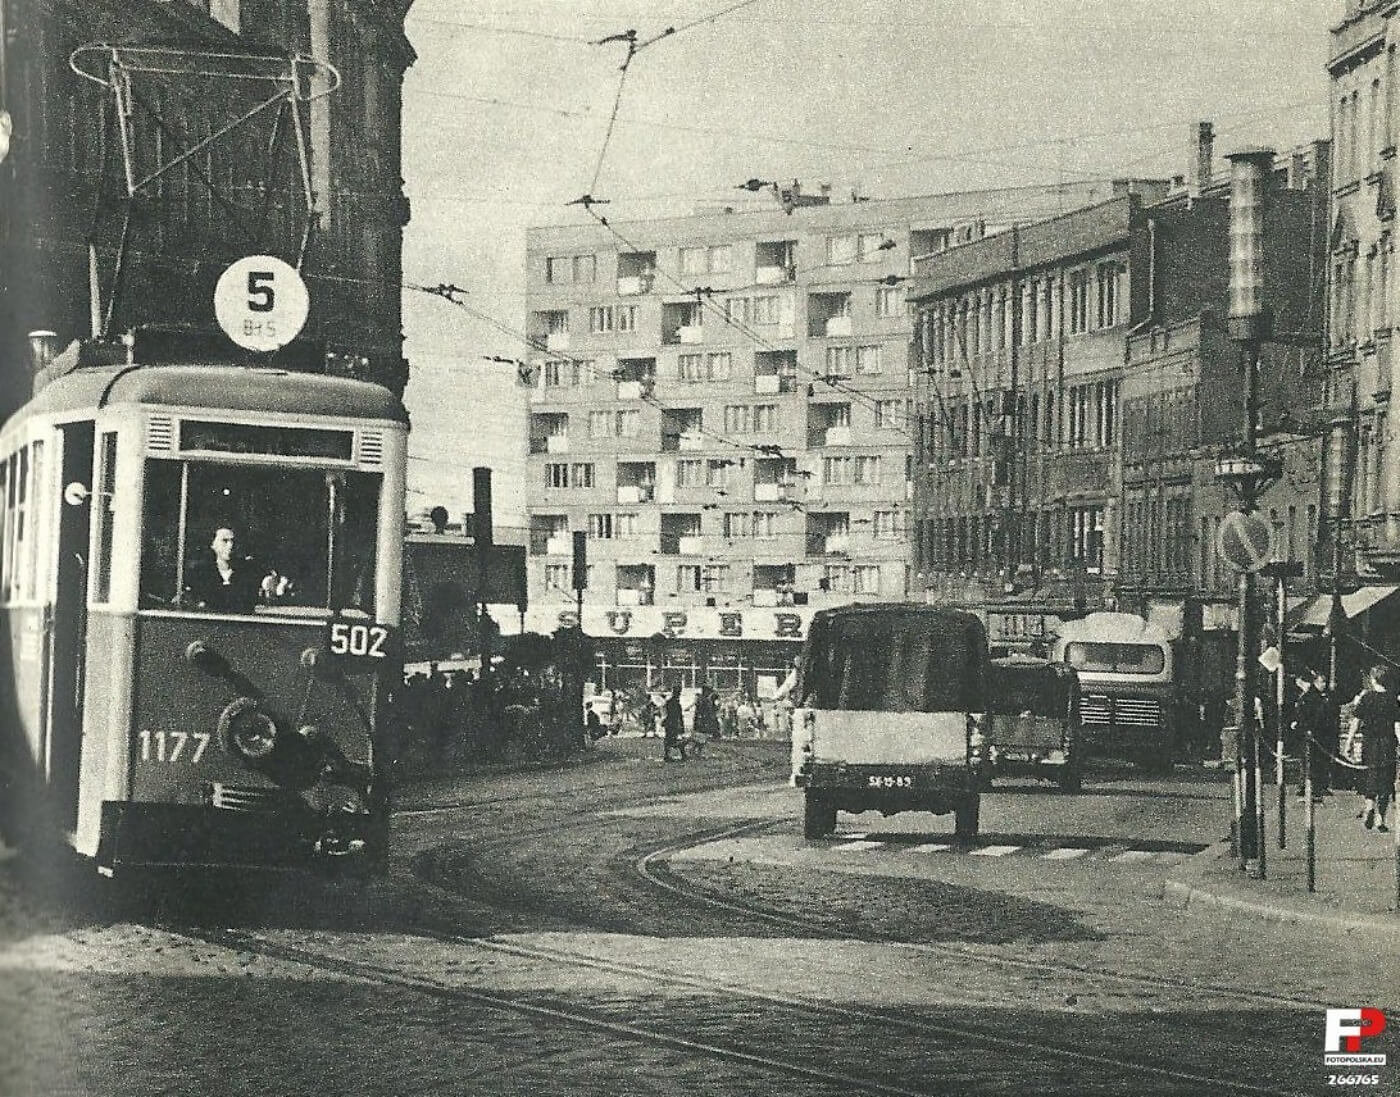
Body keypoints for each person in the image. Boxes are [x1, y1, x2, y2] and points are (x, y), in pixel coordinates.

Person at [1343, 664, 1400, 832]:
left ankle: (1369, 806)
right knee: (1386, 779)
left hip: (1370, 742)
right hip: (1388, 743)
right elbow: (1397, 725)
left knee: (1370, 775)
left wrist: (1349, 742)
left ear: (1373, 679)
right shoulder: (1392, 700)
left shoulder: (1366, 698)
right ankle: (1380, 819)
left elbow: (1356, 721)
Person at [184, 526, 286, 614]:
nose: (230, 545)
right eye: (224, 541)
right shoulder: (201, 573)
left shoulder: (249, 571)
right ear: (213, 544)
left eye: (233, 541)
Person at [1289, 667, 1333, 800]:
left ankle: (1317, 786)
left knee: (1317, 760)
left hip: (1319, 733)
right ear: (1315, 682)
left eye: (1325, 682)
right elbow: (1305, 715)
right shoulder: (1310, 697)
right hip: (1311, 733)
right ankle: (1307, 786)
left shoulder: (1322, 696)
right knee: (1309, 759)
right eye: (1321, 682)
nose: (1323, 685)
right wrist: (1306, 728)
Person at [662, 685, 686, 762]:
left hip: (669, 722)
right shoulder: (677, 704)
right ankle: (683, 754)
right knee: (675, 740)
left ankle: (667, 755)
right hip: (674, 723)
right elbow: (679, 716)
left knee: (669, 740)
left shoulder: (669, 702)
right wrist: (682, 726)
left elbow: (665, 713)